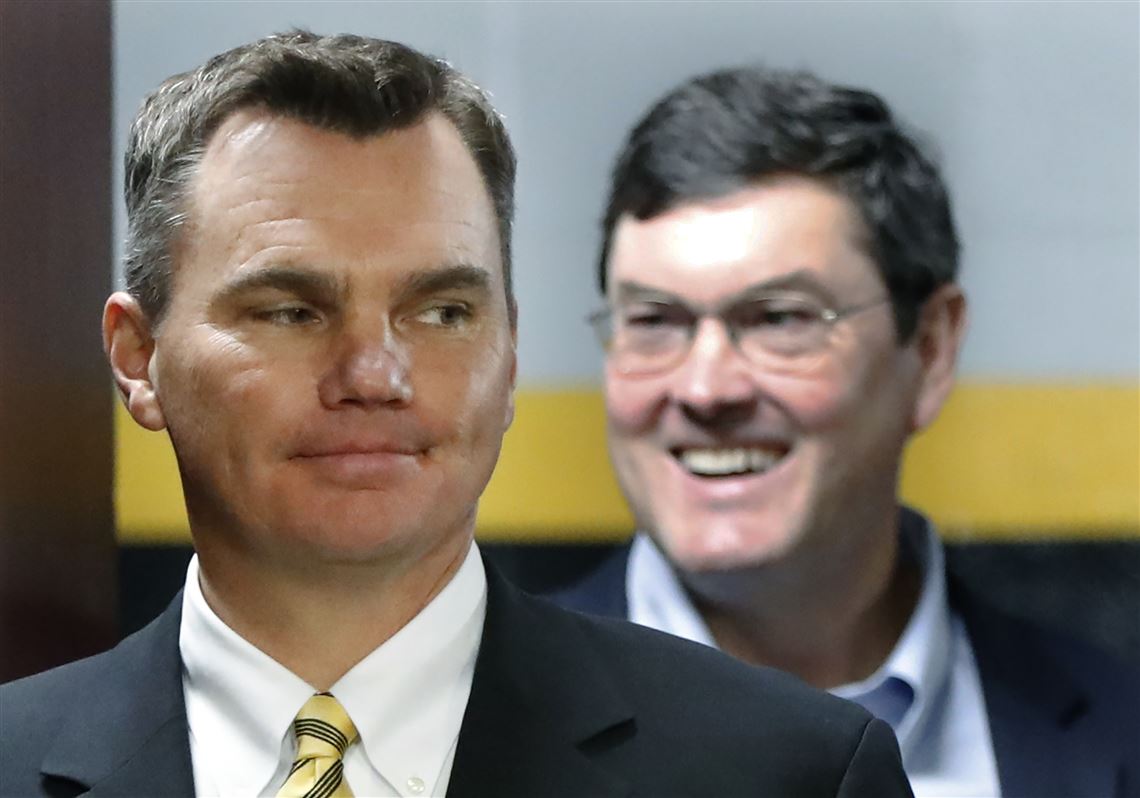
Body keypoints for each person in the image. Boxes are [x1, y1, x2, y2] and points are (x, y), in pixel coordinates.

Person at [0, 33, 913, 798]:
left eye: (441, 312)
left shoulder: (789, 774)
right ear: (138, 358)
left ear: (509, 353)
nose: (374, 375)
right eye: (290, 311)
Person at [551, 66, 1139, 798]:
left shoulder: (1119, 732)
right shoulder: (462, 723)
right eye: (654, 321)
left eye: (780, 319)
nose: (705, 389)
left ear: (930, 350)